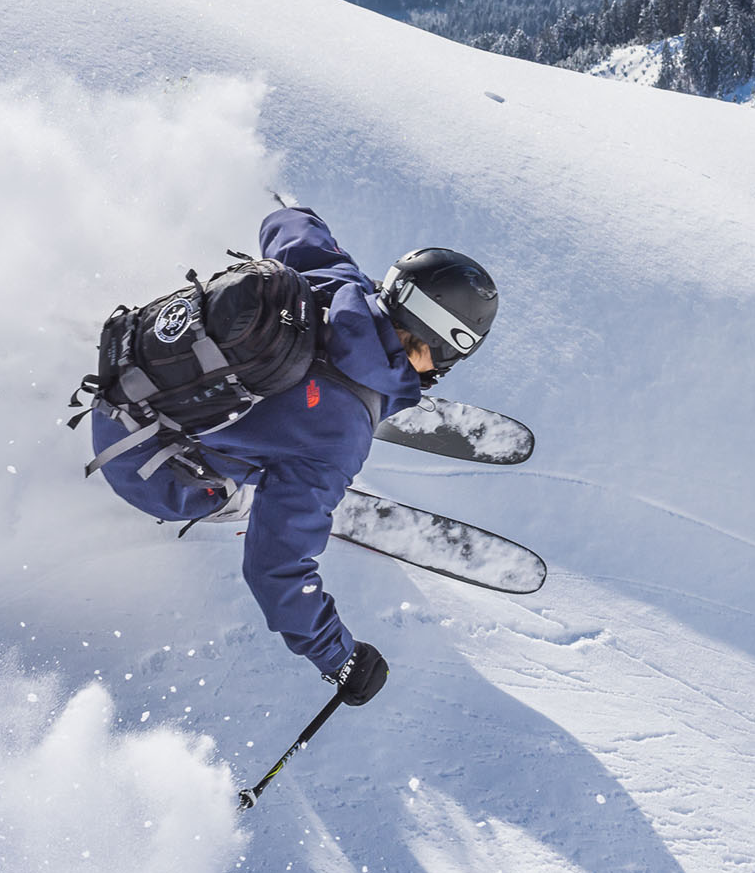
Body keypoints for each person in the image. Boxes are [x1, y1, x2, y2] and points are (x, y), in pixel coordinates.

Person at [87, 204, 498, 706]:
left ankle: (263, 425)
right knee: (260, 488)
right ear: (441, 343)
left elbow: (288, 224)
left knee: (290, 430)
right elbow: (273, 570)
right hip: (143, 470)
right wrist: (339, 657)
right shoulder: (338, 436)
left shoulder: (335, 278)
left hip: (120, 373)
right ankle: (245, 495)